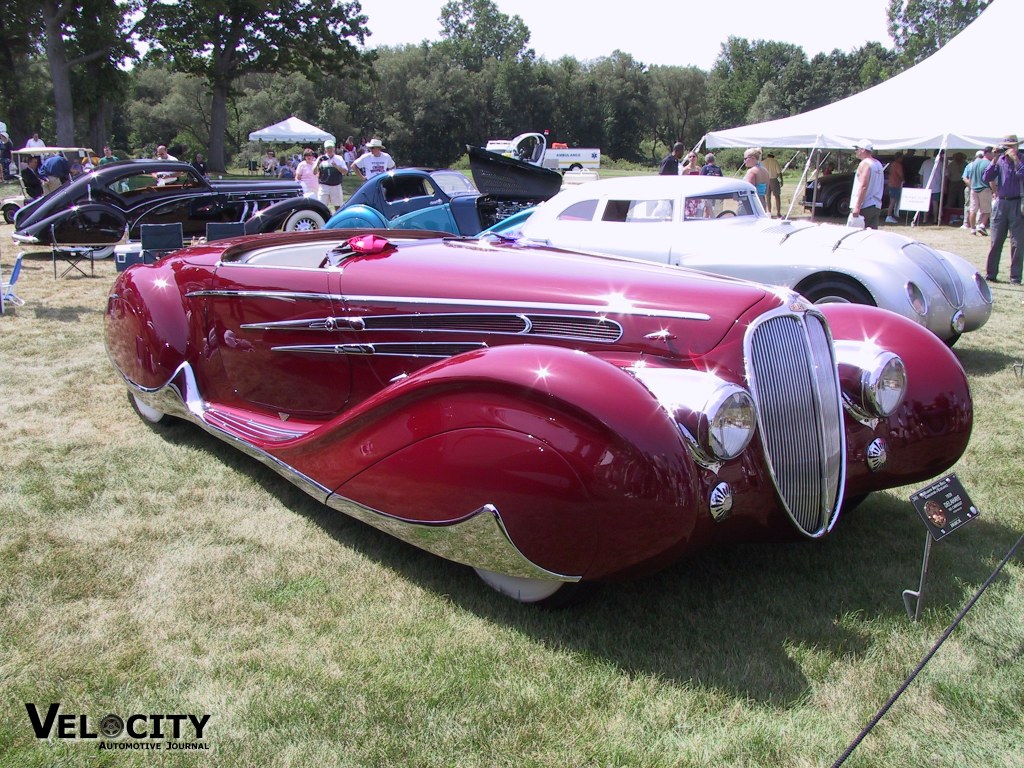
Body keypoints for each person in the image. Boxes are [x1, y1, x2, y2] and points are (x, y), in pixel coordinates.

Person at [981, 134, 1024, 284]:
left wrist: (1016, 160)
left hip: (1017, 202)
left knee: (1017, 243)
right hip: (1001, 203)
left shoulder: (1022, 159)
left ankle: (1015, 277)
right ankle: (991, 274)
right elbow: (986, 177)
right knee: (996, 241)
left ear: (1017, 146)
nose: (1008, 149)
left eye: (1011, 146)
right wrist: (994, 159)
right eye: (1006, 147)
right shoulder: (1000, 160)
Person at [849, 140, 884, 230]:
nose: (855, 151)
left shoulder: (865, 164)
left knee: (856, 233)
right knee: (872, 234)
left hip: (865, 205)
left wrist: (857, 207)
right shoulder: (878, 164)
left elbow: (863, 186)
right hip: (876, 204)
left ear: (863, 150)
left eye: (857, 149)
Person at [963, 148, 992, 236]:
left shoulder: (972, 164)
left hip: (973, 189)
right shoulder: (988, 163)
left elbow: (967, 177)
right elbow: (991, 179)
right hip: (984, 188)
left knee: (973, 210)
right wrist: (994, 190)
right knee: (987, 210)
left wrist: (971, 186)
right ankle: (981, 225)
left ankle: (972, 229)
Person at [314, 139, 348, 210]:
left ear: (334, 148)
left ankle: (337, 217)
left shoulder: (339, 158)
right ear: (325, 149)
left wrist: (336, 166)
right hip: (324, 186)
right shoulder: (321, 159)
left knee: (338, 206)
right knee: (321, 205)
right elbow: (314, 172)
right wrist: (318, 163)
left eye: (331, 148)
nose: (329, 150)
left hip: (336, 185)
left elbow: (345, 171)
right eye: (328, 148)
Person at [918, 150, 944, 223]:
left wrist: (922, 184)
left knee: (925, 204)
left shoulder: (925, 162)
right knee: (935, 204)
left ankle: (924, 219)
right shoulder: (940, 163)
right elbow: (945, 175)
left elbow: (921, 174)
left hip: (926, 187)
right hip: (936, 187)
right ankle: (935, 219)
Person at [884, 151, 904, 224]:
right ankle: (889, 216)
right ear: (899, 158)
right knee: (893, 201)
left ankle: (890, 215)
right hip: (895, 185)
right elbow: (900, 173)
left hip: (890, 184)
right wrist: (903, 179)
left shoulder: (892, 164)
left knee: (892, 201)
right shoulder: (898, 165)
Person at [762, 152, 783, 217]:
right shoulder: (775, 161)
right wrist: (781, 180)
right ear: (773, 156)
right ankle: (778, 212)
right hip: (773, 179)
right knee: (777, 196)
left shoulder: (763, 162)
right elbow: (779, 172)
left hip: (765, 179)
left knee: (767, 197)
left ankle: (769, 212)